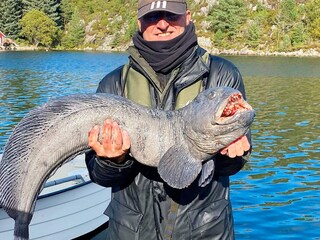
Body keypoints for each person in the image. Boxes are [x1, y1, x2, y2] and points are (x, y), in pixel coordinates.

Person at [85, 0, 251, 239]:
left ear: (188, 17)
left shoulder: (222, 75)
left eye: (171, 15)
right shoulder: (113, 84)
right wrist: (113, 160)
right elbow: (99, 175)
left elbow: (235, 163)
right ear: (139, 22)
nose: (162, 24)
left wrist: (231, 155)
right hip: (132, 231)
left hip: (205, 230)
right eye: (153, 17)